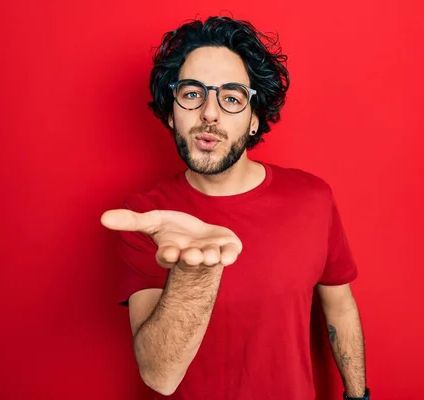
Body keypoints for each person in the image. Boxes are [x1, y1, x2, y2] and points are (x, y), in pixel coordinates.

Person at [101, 15, 370, 400]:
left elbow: (340, 307)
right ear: (169, 114)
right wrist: (193, 275)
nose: (209, 113)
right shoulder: (146, 217)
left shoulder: (313, 198)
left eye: (231, 98)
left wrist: (358, 396)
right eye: (192, 94)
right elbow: (159, 375)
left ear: (254, 120)